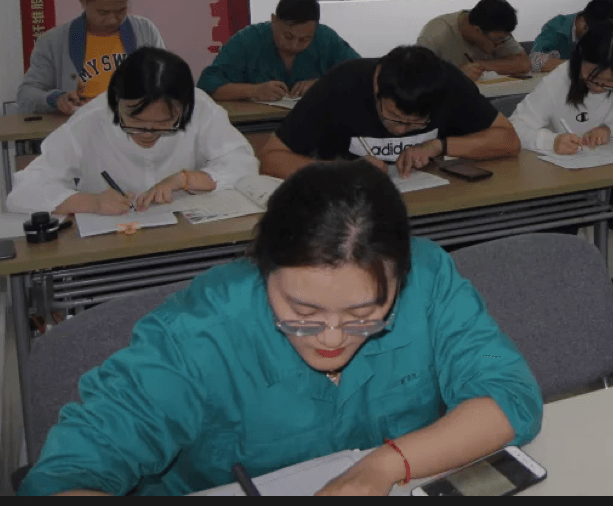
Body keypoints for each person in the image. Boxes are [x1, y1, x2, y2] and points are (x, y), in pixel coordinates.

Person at [17, 161, 543, 496]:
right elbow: (67, 474)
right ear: (263, 268)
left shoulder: (428, 278)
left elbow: (509, 397)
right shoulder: (201, 327)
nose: (332, 337)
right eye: (302, 312)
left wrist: (383, 467)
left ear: (400, 278)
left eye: (364, 315)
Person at [510, 21, 613, 314]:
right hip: (564, 189)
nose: (599, 88)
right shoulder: (560, 79)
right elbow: (516, 127)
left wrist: (612, 129)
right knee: (555, 252)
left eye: (610, 84)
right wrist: (551, 140)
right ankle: (560, 322)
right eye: (592, 79)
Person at [7, 48, 257, 216]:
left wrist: (185, 179)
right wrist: (92, 203)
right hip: (109, 246)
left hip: (185, 236)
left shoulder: (201, 107)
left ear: (184, 109)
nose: (147, 133)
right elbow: (25, 190)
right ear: (116, 101)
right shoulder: (92, 119)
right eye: (134, 122)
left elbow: (243, 164)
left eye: (164, 124)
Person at [257, 45, 520, 180]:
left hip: (428, 200)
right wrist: (340, 172)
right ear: (376, 87)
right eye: (393, 118)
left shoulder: (449, 83)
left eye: (416, 123)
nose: (401, 130)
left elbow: (508, 140)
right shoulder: (340, 85)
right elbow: (271, 158)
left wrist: (437, 146)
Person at [17, 0, 165, 115]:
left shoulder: (145, 31)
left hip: (135, 123)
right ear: (83, 1)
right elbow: (26, 95)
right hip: (82, 124)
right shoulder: (53, 41)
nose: (112, 20)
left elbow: (166, 80)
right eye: (103, 12)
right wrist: (56, 99)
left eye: (121, 11)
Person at [197, 0, 360, 102]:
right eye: (288, 36)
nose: (294, 45)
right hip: (257, 124)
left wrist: (323, 84)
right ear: (274, 21)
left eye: (304, 39)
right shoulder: (247, 40)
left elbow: (360, 74)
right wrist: (253, 91)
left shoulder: (326, 39)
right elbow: (207, 84)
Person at [416, 0, 531, 80]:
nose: (501, 45)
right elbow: (416, 75)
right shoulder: (436, 33)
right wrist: (457, 74)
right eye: (497, 40)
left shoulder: (496, 28)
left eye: (504, 39)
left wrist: (481, 65)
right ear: (477, 30)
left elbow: (523, 64)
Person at [528, 0, 613, 73]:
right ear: (583, 22)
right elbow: (534, 60)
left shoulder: (608, 31)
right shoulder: (557, 27)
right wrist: (579, 66)